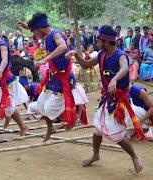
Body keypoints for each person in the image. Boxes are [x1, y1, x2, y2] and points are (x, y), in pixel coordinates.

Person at [66, 25, 144, 173]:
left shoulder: (120, 55)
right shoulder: (102, 55)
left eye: (99, 41)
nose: (97, 43)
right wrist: (75, 54)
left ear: (107, 42)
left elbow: (125, 68)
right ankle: (96, 155)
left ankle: (135, 157)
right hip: (107, 99)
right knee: (97, 130)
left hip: (119, 101)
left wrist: (114, 80)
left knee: (116, 132)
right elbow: (86, 64)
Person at [18, 13, 85, 141]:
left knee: (49, 108)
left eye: (35, 32)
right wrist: (28, 27)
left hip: (64, 77)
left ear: (40, 28)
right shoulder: (47, 34)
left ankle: (68, 119)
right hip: (54, 77)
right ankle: (51, 128)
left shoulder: (55, 34)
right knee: (41, 104)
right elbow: (38, 30)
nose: (35, 36)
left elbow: (63, 46)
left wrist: (44, 60)